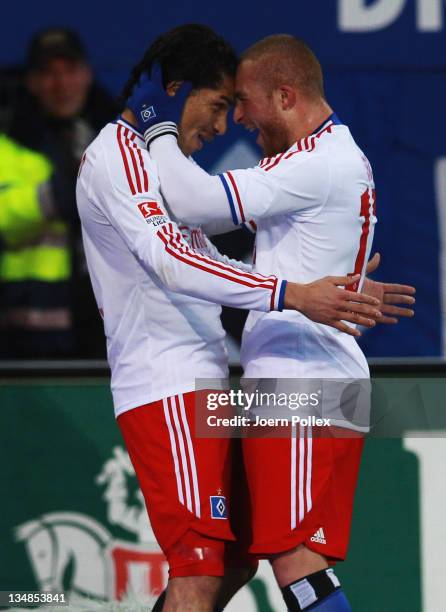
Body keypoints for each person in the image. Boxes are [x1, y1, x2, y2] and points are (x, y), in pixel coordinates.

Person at [75, 25, 399, 612]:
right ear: (178, 90)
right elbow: (176, 259)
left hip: (290, 380)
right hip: (174, 386)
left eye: (238, 107)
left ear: (284, 95)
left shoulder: (315, 161)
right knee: (217, 565)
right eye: (221, 105)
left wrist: (162, 128)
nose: (230, 126)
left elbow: (198, 225)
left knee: (269, 561)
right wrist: (295, 290)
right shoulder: (116, 156)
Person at [0, 27, 117, 358]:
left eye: (70, 71)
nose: (61, 84)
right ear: (32, 83)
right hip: (29, 324)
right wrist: (58, 191)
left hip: (108, 320)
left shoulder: (115, 137)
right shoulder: (7, 142)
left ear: (87, 75)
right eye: (49, 73)